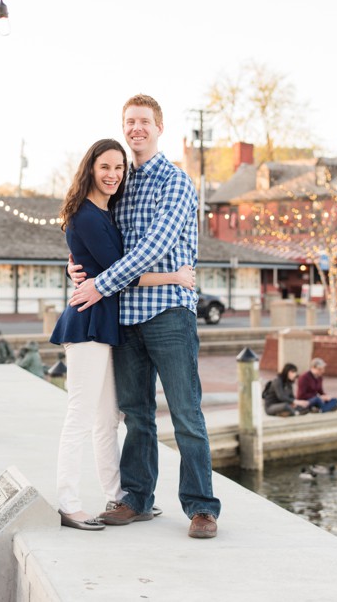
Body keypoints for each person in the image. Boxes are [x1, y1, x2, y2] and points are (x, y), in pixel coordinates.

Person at [68, 94, 221, 539]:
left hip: (169, 312)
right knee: (136, 414)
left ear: (158, 128)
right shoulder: (117, 182)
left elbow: (152, 248)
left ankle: (201, 507)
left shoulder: (175, 183)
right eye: (129, 121)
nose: (136, 128)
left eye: (144, 122)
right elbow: (90, 233)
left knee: (186, 412)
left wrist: (98, 284)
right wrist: (75, 265)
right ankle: (136, 498)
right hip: (125, 317)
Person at [50, 139, 195, 531]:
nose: (113, 174)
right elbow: (124, 271)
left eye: (119, 168)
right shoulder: (86, 215)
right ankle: (68, 502)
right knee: (81, 415)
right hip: (87, 324)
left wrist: (75, 265)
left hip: (104, 324)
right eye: (105, 167)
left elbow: (97, 265)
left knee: (107, 418)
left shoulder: (104, 211)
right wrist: (176, 277)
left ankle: (120, 496)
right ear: (90, 169)